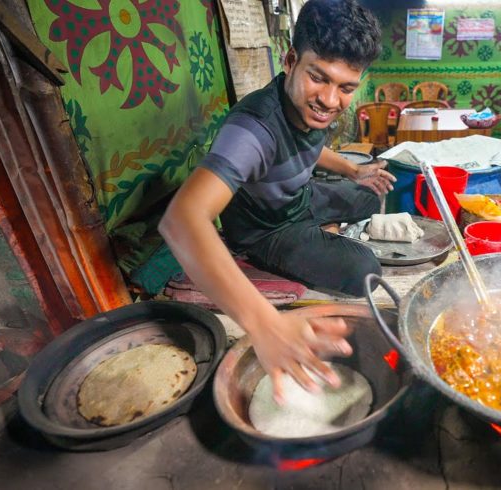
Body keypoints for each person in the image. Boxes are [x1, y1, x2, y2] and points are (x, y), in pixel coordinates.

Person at [159, 0, 394, 403]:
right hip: (267, 229)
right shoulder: (252, 128)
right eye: (319, 78)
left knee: (370, 197)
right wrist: (264, 323)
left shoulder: (312, 107)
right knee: (364, 269)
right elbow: (181, 219)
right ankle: (264, 257)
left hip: (299, 196)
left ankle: (334, 213)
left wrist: (354, 172)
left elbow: (310, 146)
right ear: (290, 60)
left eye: (346, 88)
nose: (330, 100)